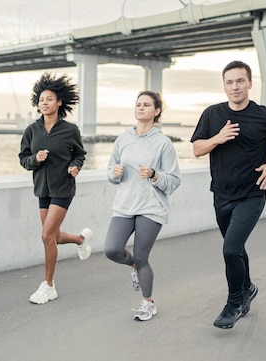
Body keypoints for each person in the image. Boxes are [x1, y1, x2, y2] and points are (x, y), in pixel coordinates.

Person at [190, 60, 266, 329]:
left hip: (252, 193)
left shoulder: (265, 115)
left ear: (250, 83)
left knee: (230, 249)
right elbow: (197, 150)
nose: (235, 86)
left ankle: (234, 303)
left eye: (240, 81)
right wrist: (219, 137)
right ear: (224, 86)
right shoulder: (212, 114)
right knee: (235, 248)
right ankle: (248, 288)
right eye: (230, 82)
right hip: (221, 195)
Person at [104, 90, 181, 321]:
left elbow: (174, 181)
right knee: (111, 249)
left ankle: (148, 303)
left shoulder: (164, 143)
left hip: (151, 207)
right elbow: (110, 172)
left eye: (146, 105)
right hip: (125, 205)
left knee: (141, 255)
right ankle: (134, 267)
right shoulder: (122, 139)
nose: (140, 108)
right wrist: (114, 172)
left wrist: (155, 175)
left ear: (156, 111)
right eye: (138, 104)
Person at [18, 72, 93, 305]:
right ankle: (81, 239)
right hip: (42, 189)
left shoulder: (70, 130)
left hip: (62, 188)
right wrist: (35, 160)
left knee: (46, 236)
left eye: (49, 99)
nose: (44, 102)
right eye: (41, 99)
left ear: (59, 102)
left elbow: (80, 154)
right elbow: (23, 158)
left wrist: (74, 166)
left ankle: (48, 285)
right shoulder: (32, 130)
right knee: (54, 236)